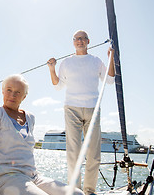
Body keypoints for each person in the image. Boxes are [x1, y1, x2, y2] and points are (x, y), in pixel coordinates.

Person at [0, 74, 84, 195]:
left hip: (32, 176)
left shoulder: (30, 117)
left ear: (24, 96)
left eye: (18, 92)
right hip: (2, 177)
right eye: (9, 90)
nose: (12, 95)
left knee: (77, 193)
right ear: (2, 91)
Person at [47, 30, 115, 195]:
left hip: (93, 108)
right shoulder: (66, 62)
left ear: (88, 41)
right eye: (76, 39)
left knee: (93, 153)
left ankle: (90, 190)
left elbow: (110, 79)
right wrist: (52, 68)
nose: (80, 41)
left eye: (83, 38)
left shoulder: (96, 61)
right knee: (73, 153)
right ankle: (75, 190)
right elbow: (57, 86)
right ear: (73, 42)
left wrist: (111, 57)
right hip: (72, 109)